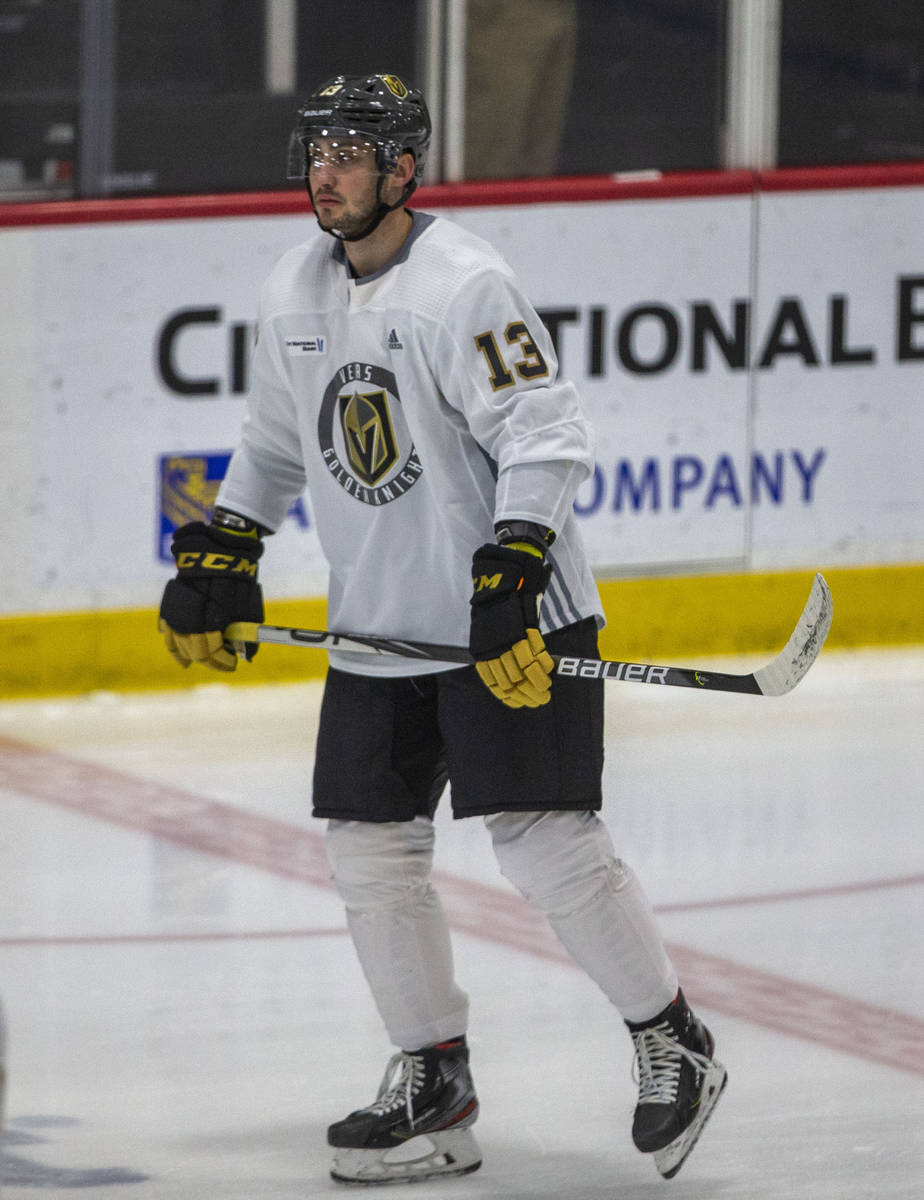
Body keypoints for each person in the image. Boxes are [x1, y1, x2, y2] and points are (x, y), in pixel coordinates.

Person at [157, 73, 726, 1186]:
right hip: (379, 626)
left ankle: (673, 1040)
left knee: (545, 842)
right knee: (369, 853)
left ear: (404, 170)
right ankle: (434, 1080)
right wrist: (227, 543)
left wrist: (513, 566)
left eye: (351, 153)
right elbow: (274, 443)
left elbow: (547, 434)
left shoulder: (465, 283)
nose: (326, 172)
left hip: (509, 622)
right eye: (316, 151)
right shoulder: (291, 286)